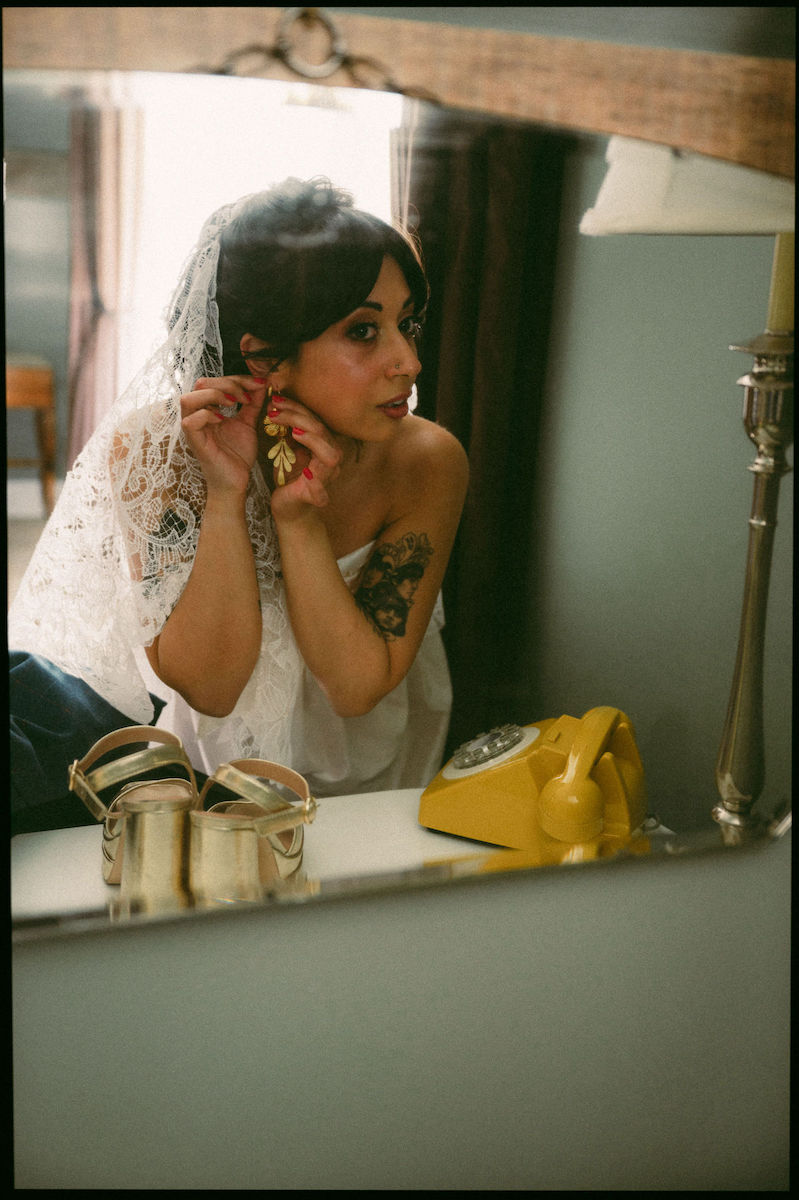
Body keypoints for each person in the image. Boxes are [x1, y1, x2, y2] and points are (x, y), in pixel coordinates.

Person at [8, 177, 469, 832]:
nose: (409, 361)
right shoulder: (157, 451)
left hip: (375, 770)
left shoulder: (426, 461)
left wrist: (297, 518)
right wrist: (225, 498)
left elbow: (357, 686)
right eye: (364, 330)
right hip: (217, 768)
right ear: (263, 357)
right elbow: (212, 689)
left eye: (407, 323)